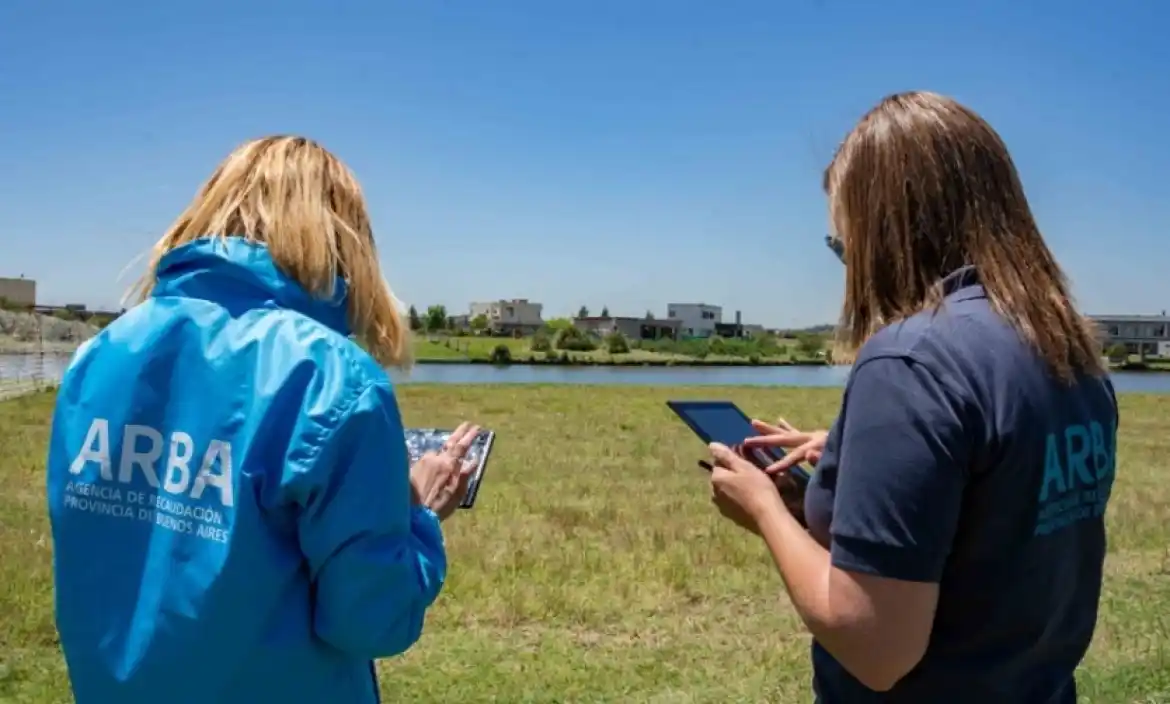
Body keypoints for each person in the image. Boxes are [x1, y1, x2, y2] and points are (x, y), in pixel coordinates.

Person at [705, 92, 1118, 703]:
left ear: (890, 231)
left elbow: (877, 647)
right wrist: (857, 457)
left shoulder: (911, 362)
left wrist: (765, 508)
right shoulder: (1066, 347)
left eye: (841, 246)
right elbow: (997, 494)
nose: (847, 265)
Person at [46, 136, 479, 704]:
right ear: (341, 235)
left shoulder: (100, 355)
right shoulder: (334, 377)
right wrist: (417, 512)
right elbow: (371, 620)